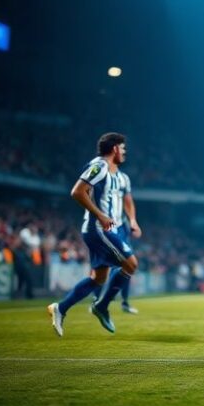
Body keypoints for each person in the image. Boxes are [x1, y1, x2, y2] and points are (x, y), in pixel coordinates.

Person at [47, 133, 138, 336]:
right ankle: (102, 306)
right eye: (122, 149)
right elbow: (77, 191)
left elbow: (128, 200)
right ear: (114, 149)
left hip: (106, 228)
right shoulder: (100, 166)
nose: (124, 152)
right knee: (131, 263)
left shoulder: (117, 174)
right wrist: (101, 215)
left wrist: (131, 220)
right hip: (99, 228)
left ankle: (60, 308)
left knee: (98, 278)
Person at [92, 175, 142, 314]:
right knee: (104, 264)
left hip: (122, 226)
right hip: (108, 224)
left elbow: (128, 200)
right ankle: (97, 299)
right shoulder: (101, 175)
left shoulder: (124, 179)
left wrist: (132, 221)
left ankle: (124, 301)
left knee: (128, 266)